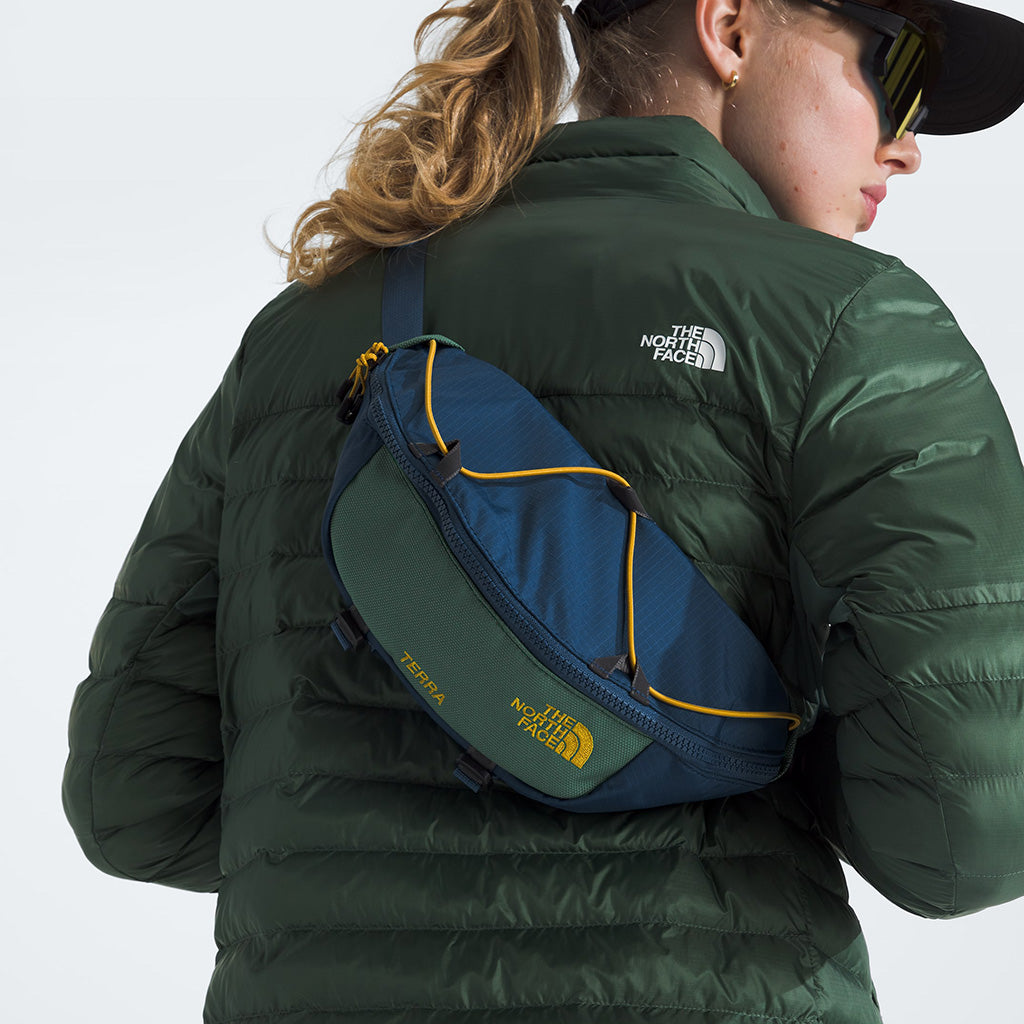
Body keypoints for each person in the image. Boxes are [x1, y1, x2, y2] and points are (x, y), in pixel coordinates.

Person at [62, 1, 1024, 1021]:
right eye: (896, 74)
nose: (906, 145)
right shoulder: (855, 326)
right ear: (731, 28)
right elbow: (967, 835)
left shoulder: (300, 336)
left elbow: (133, 799)